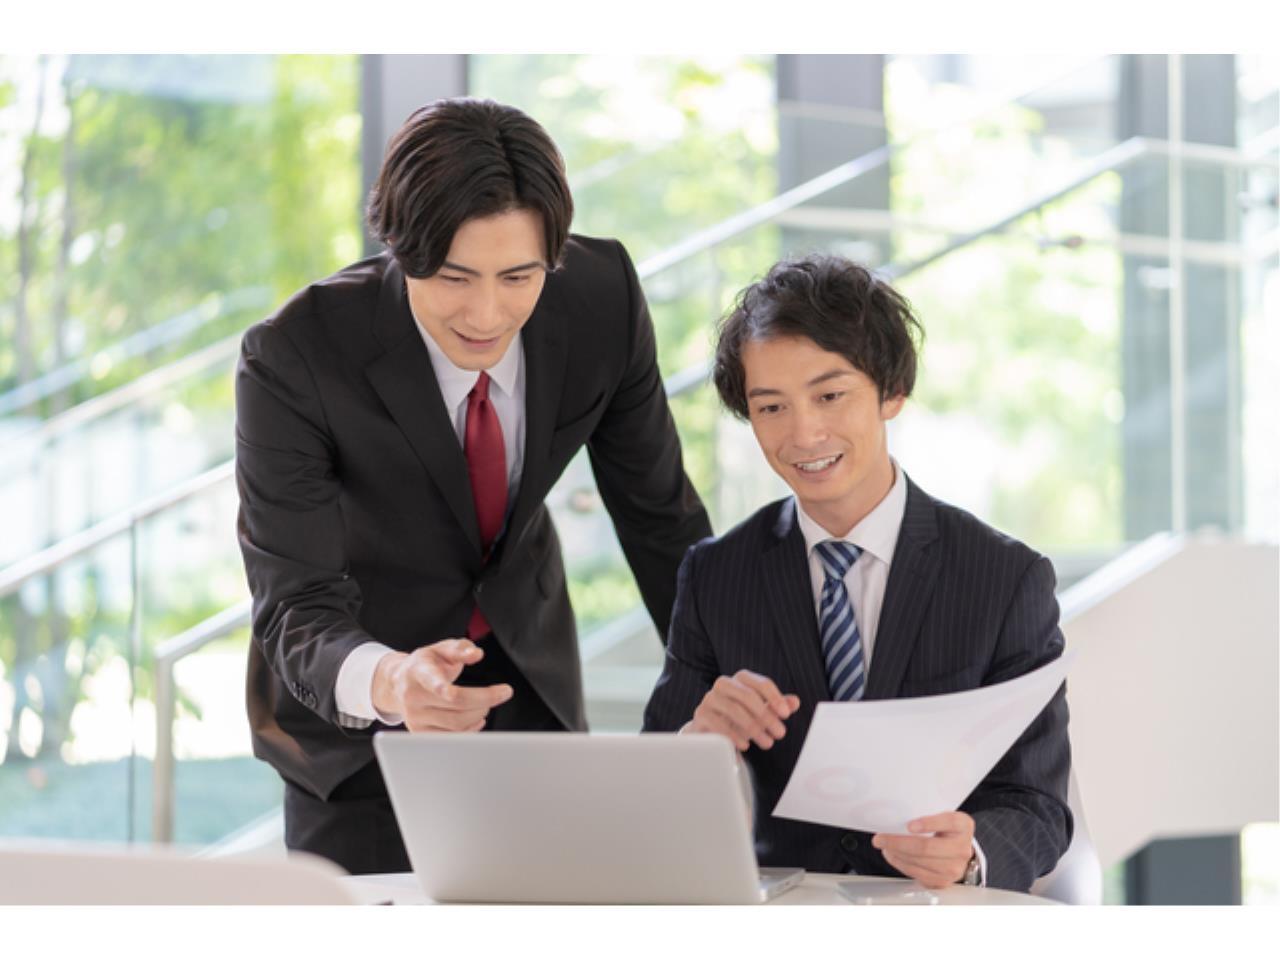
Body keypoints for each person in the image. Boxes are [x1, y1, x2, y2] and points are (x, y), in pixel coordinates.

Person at [236, 98, 712, 875]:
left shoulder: (601, 301)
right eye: (454, 277)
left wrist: (723, 683)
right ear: (399, 247)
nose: (487, 314)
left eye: (519, 276)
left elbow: (662, 520)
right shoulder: (296, 358)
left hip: (532, 692)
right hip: (363, 721)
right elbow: (295, 604)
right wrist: (394, 680)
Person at [642, 255, 1071, 892]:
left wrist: (969, 854)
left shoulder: (1006, 578)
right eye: (771, 407)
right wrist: (697, 740)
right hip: (777, 914)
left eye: (830, 396)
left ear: (891, 392)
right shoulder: (715, 574)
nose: (803, 433)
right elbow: (650, 794)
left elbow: (1037, 804)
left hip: (932, 912)